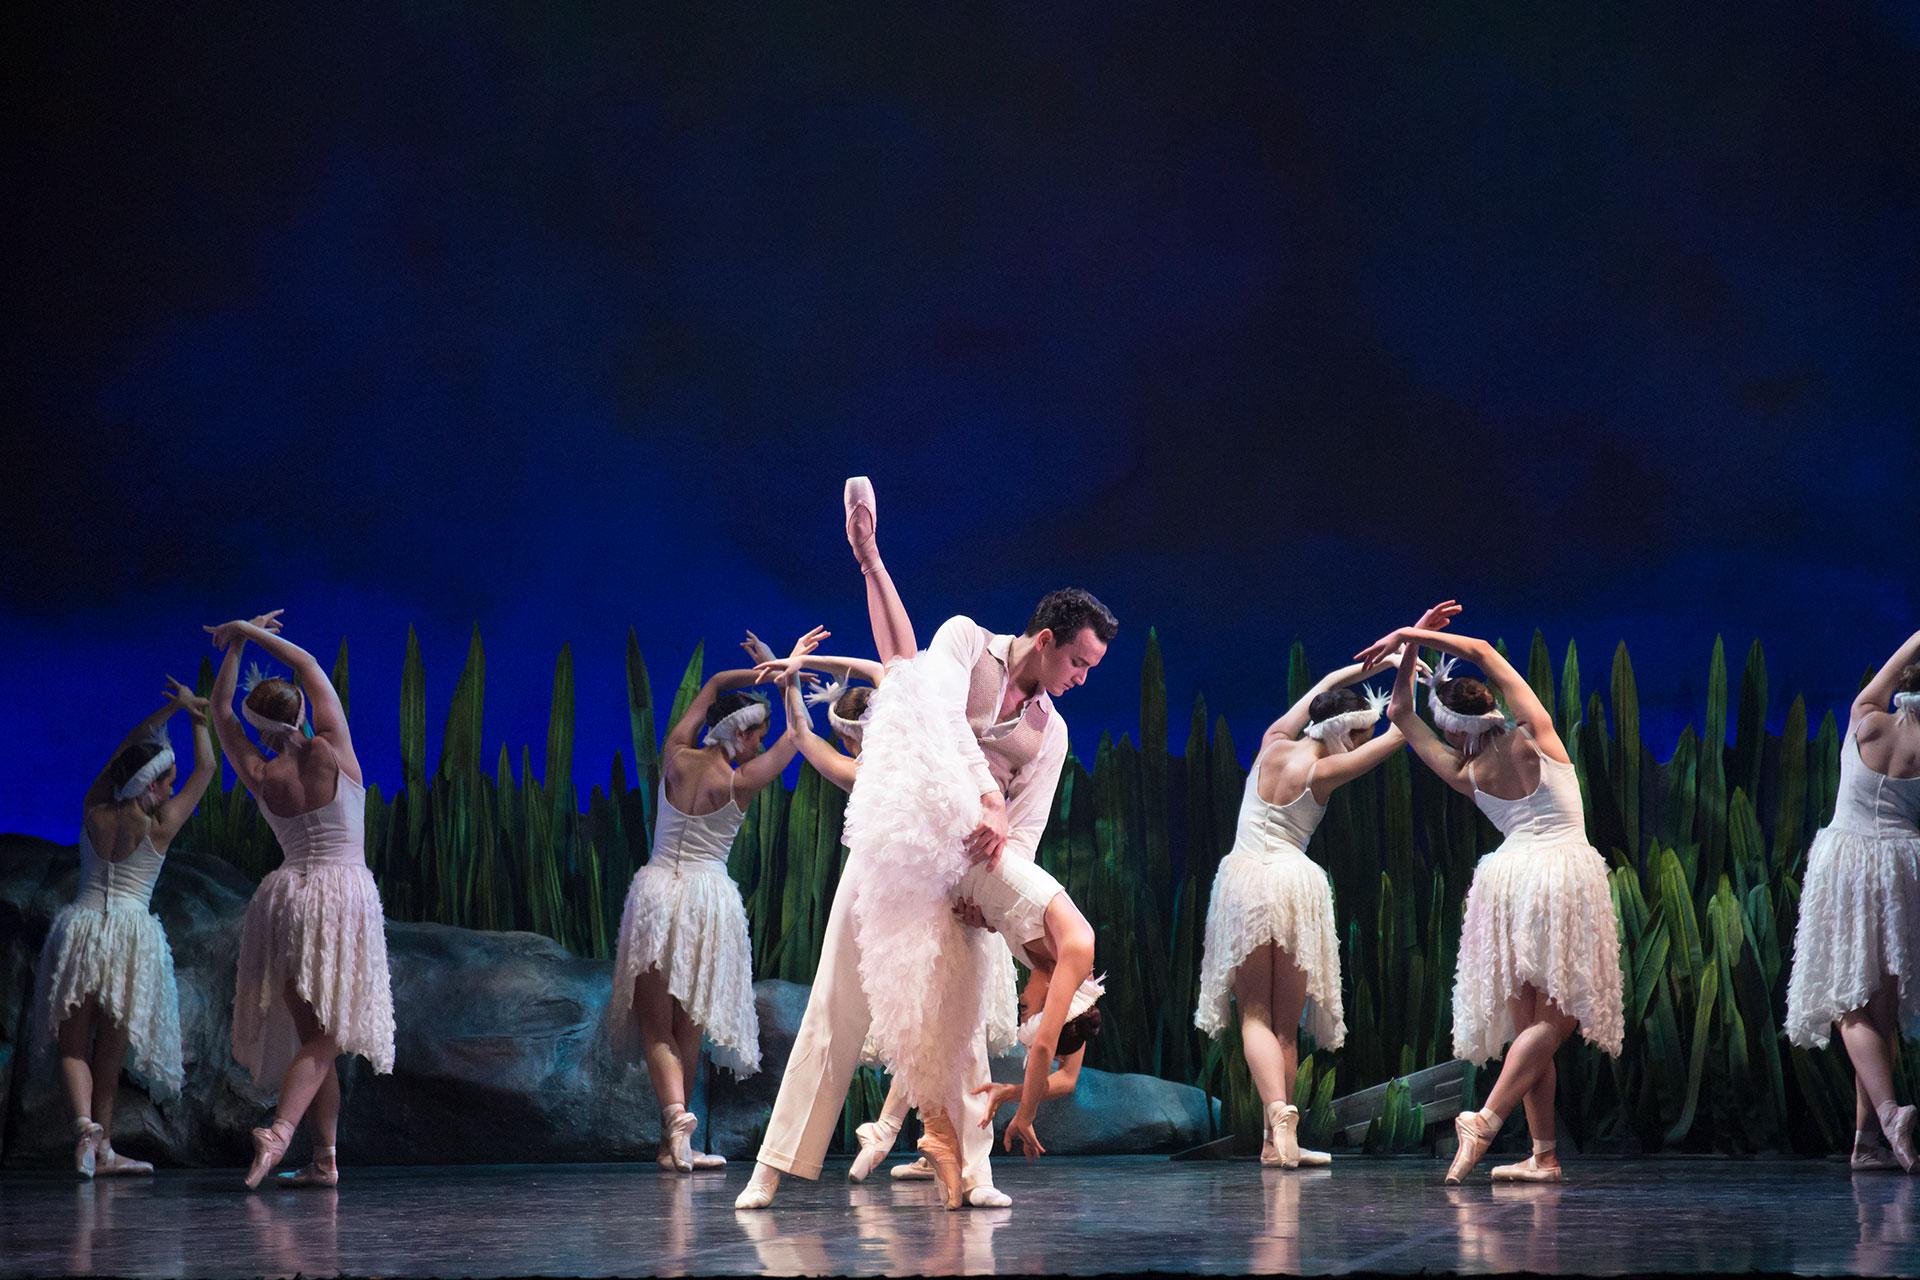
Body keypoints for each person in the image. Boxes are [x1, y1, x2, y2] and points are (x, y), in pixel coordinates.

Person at [735, 477, 1113, 1211]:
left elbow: (1025, 830)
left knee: (962, 1017)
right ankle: (772, 1167)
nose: (1080, 679)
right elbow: (924, 699)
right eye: (1078, 663)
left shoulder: (1053, 731)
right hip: (908, 835)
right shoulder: (969, 642)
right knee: (838, 999)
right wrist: (982, 795)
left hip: (977, 863)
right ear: (1046, 640)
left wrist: (1000, 904)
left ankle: (974, 1173)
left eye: (1089, 669)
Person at [1358, 608, 1624, 1183]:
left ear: (1455, 725)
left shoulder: (1466, 770)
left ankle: (1544, 1155)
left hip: (1508, 882)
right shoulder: (1538, 734)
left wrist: (1407, 648)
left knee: (1534, 1021)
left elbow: (1400, 713)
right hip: (1560, 873)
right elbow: (1480, 647)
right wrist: (1415, 633)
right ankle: (1485, 1120)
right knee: (1559, 1016)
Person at [1194, 618, 1439, 1168]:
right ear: (1344, 731)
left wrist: (1387, 656)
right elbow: (1403, 731)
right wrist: (1410, 667)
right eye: (1358, 733)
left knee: (1253, 1013)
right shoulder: (1325, 771)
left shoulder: (1274, 742)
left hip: (1245, 880)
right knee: (1280, 1021)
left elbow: (1328, 679)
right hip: (1291, 884)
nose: (1360, 741)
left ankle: (1273, 1134)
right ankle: (1282, 1121)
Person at [208, 610, 395, 1190]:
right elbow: (309, 664)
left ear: (260, 723)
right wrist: (250, 630)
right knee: (329, 1033)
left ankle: (325, 1159)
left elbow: (218, 715)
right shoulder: (334, 749)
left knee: (318, 1031)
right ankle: (280, 1131)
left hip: (289, 897)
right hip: (343, 893)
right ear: (300, 711)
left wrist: (232, 644)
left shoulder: (262, 772)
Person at [608, 647, 801, 1172]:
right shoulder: (737, 783)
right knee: (686, 1025)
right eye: (754, 732)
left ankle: (675, 1127)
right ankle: (678, 1132)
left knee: (657, 1027)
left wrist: (747, 673)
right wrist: (789, 679)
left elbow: (713, 683)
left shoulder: (674, 756)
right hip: (706, 904)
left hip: (655, 896)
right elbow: (796, 739)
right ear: (737, 734)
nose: (759, 740)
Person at [33, 678, 215, 1177]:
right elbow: (208, 770)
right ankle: (100, 1142)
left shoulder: (95, 808)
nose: (173, 788)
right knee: (108, 1051)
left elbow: (121, 752)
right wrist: (197, 720)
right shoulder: (160, 825)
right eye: (167, 781)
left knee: (75, 1042)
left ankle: (91, 1135)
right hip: (131, 938)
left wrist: (168, 713)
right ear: (151, 785)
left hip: (82, 929)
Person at [1784, 627, 1920, 1172]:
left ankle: (1887, 1116)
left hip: (1846, 860)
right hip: (1903, 865)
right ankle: (1866, 1144)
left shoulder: (1868, 718)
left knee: (1849, 1003)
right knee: (1880, 1008)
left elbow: (1880, 681)